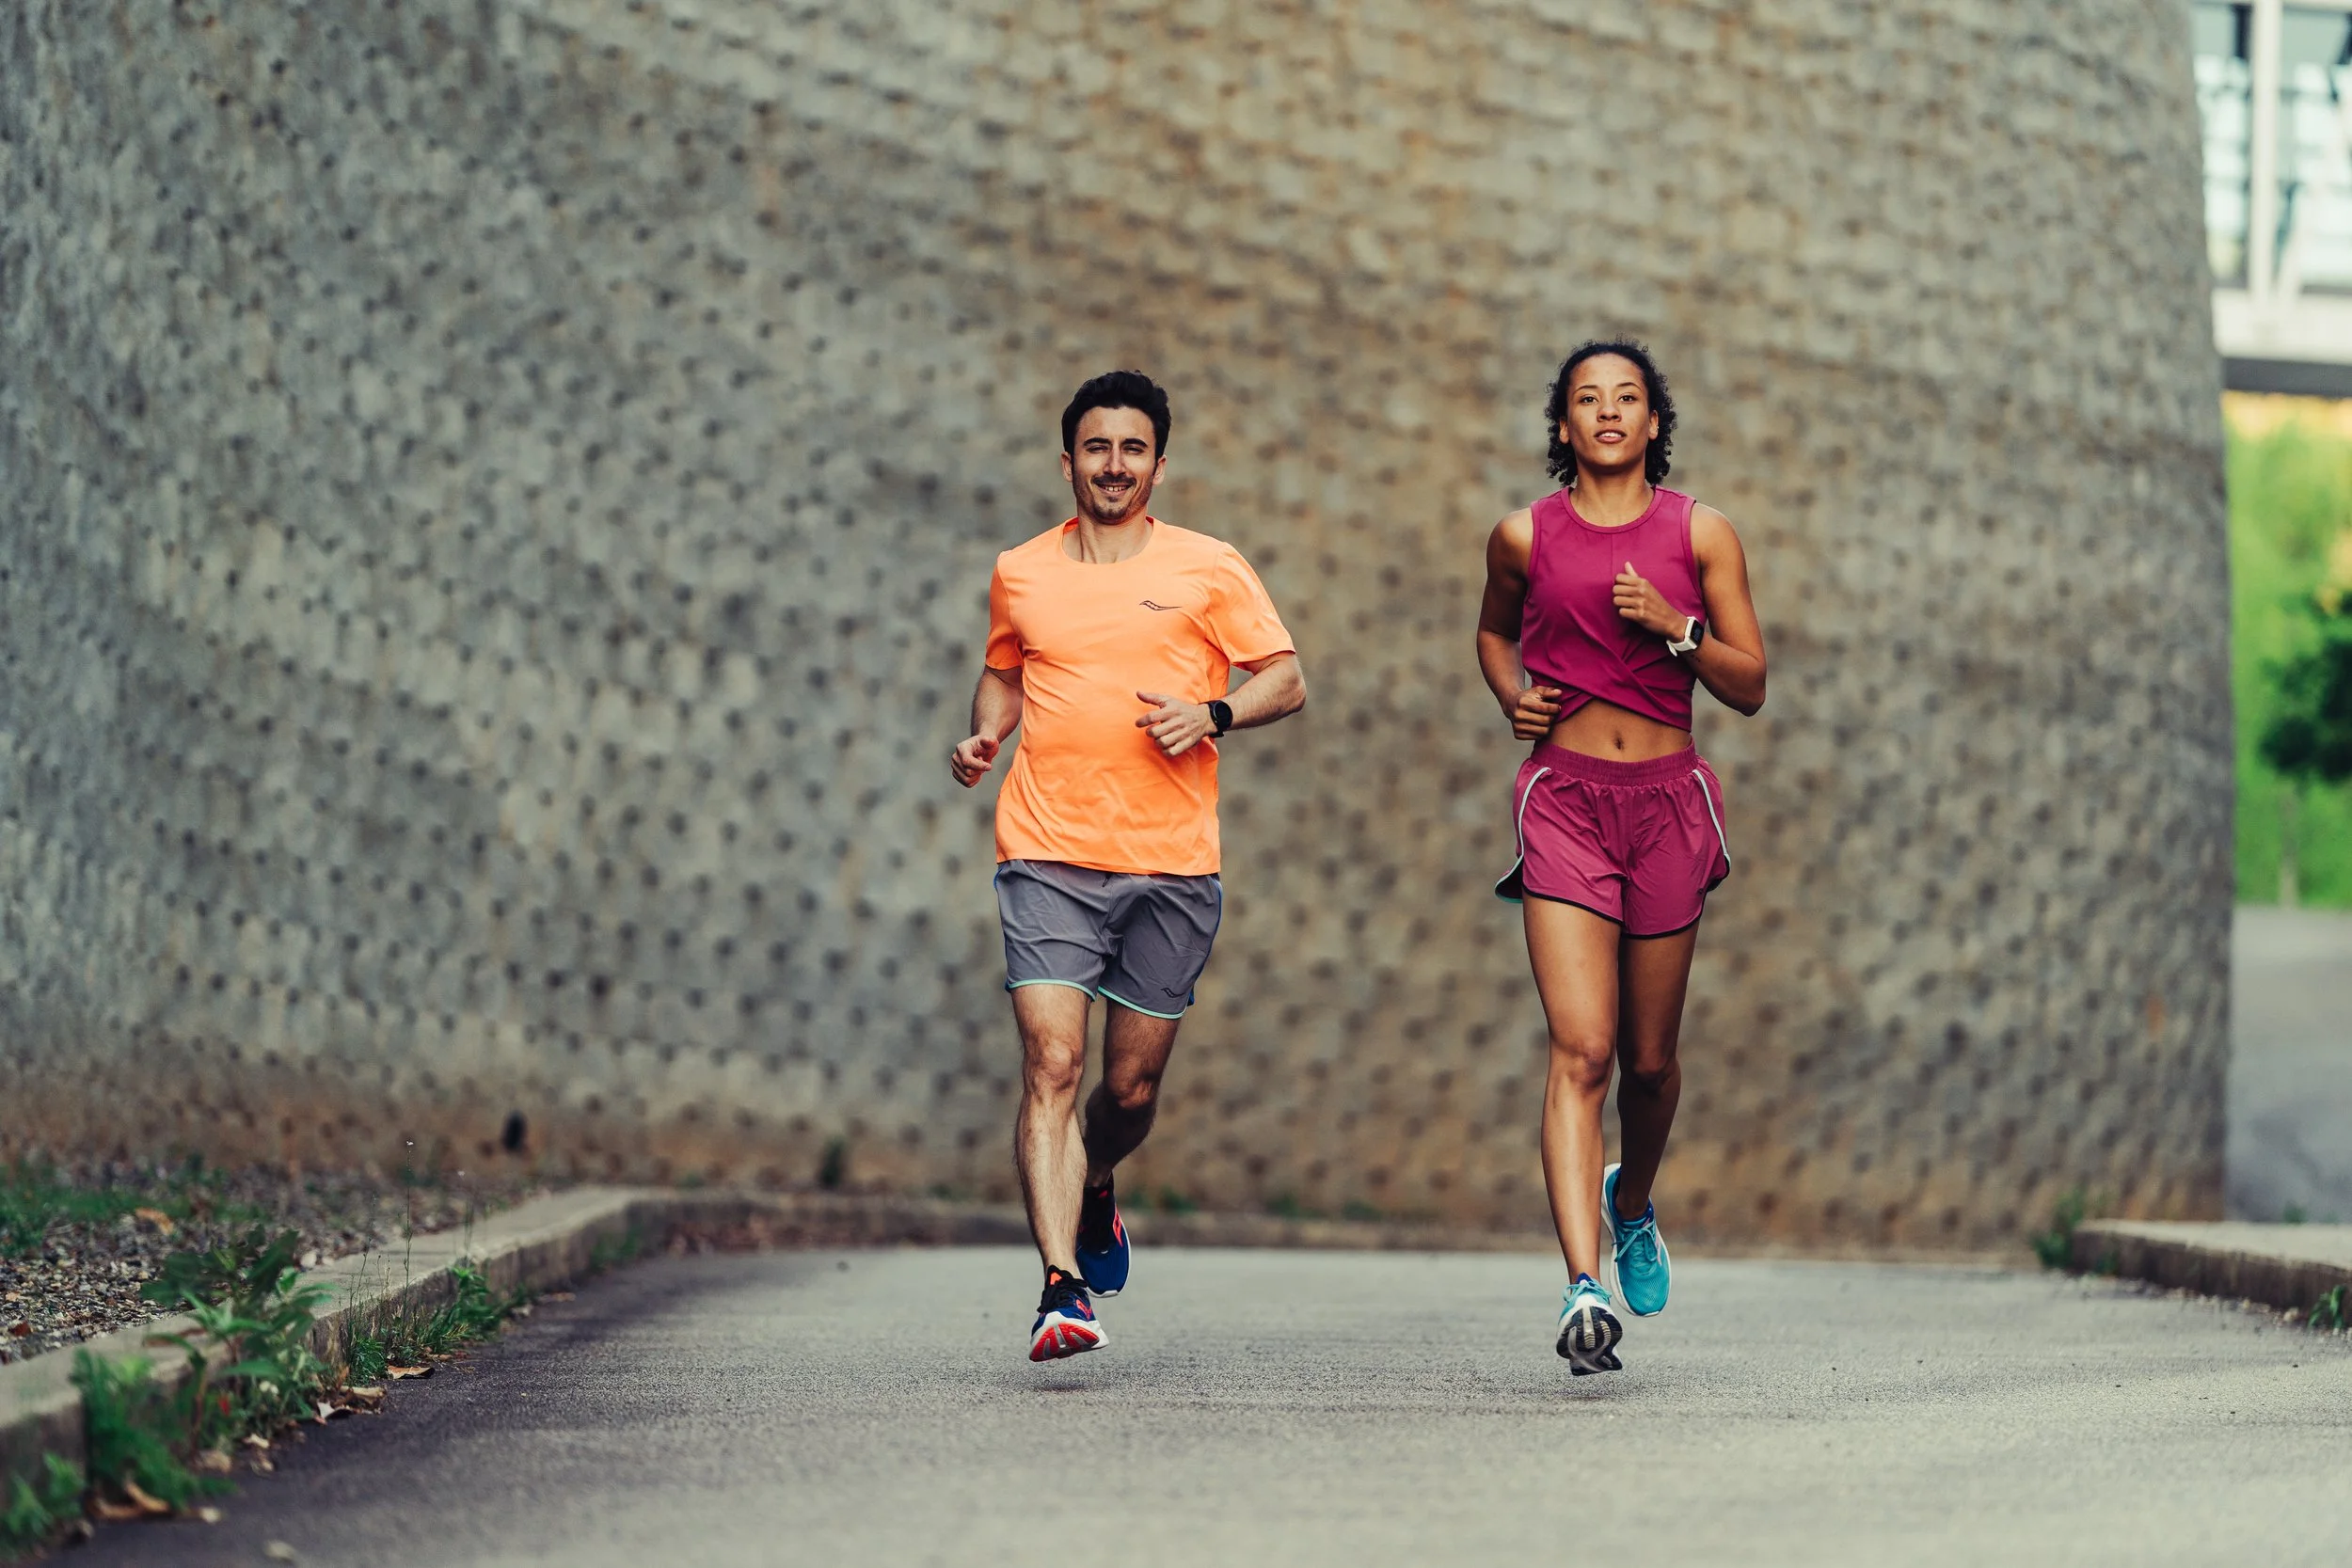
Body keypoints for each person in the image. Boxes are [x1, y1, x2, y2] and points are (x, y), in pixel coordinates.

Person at [949, 370, 1306, 1362]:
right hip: (1046, 850)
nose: (1114, 464)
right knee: (1052, 1063)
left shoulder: (1209, 567)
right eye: (1096, 447)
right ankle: (1060, 1287)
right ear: (1068, 460)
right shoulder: (1021, 569)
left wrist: (1217, 710)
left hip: (1172, 864)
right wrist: (985, 735)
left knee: (1130, 1091)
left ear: (1157, 460)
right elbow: (1004, 669)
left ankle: (1097, 1178)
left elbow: (1286, 675)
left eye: (1133, 448)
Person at [1474, 341, 1767, 1374]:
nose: (1606, 412)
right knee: (1581, 1047)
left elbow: (1750, 682)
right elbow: (1493, 635)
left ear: (1652, 423)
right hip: (1561, 801)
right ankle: (1581, 1281)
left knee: (1647, 1060)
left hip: (1667, 805)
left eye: (1626, 398)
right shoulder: (1521, 536)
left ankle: (1630, 1200)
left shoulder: (1702, 533)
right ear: (1561, 427)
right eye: (1586, 400)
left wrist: (1676, 628)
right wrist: (1514, 698)